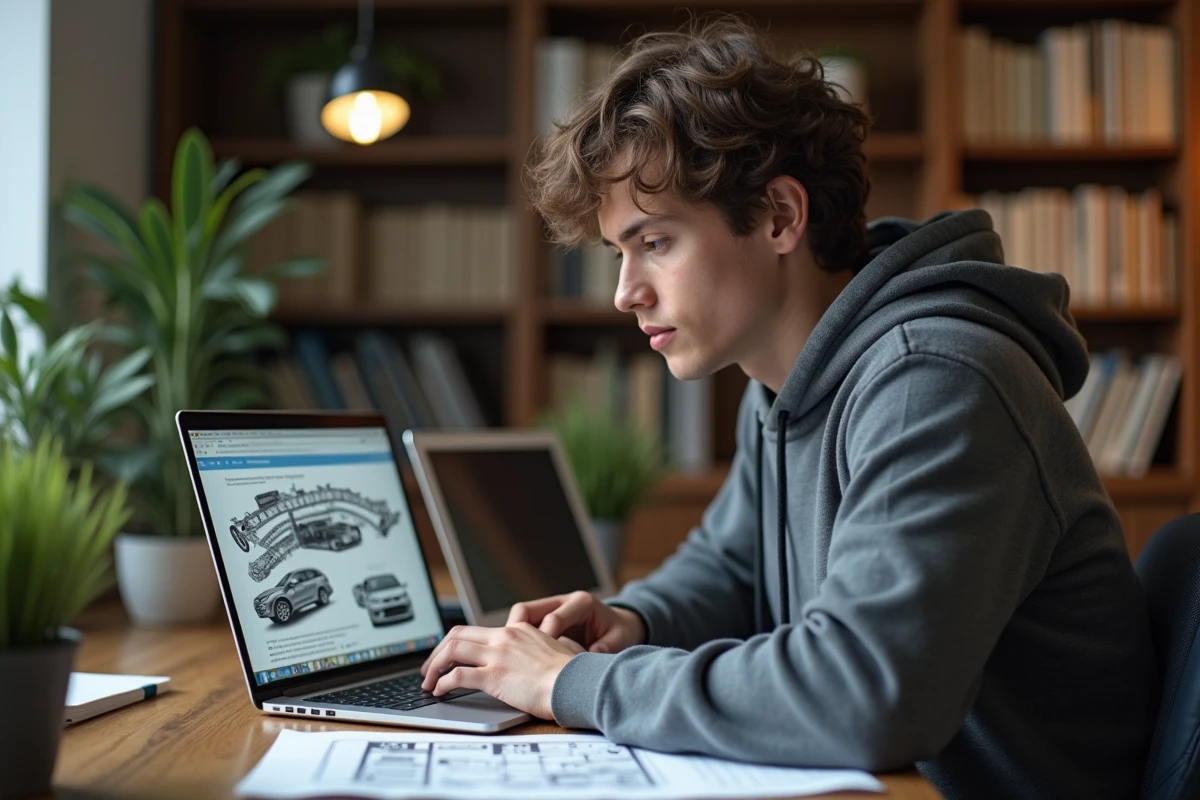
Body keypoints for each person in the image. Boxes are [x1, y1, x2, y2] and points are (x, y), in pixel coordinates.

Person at [419, 16, 1158, 799]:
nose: (624, 292)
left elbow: (867, 694)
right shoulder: (784, 378)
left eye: (656, 242)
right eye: (618, 253)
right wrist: (629, 624)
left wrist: (577, 685)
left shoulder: (936, 382)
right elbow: (732, 567)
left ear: (778, 215)